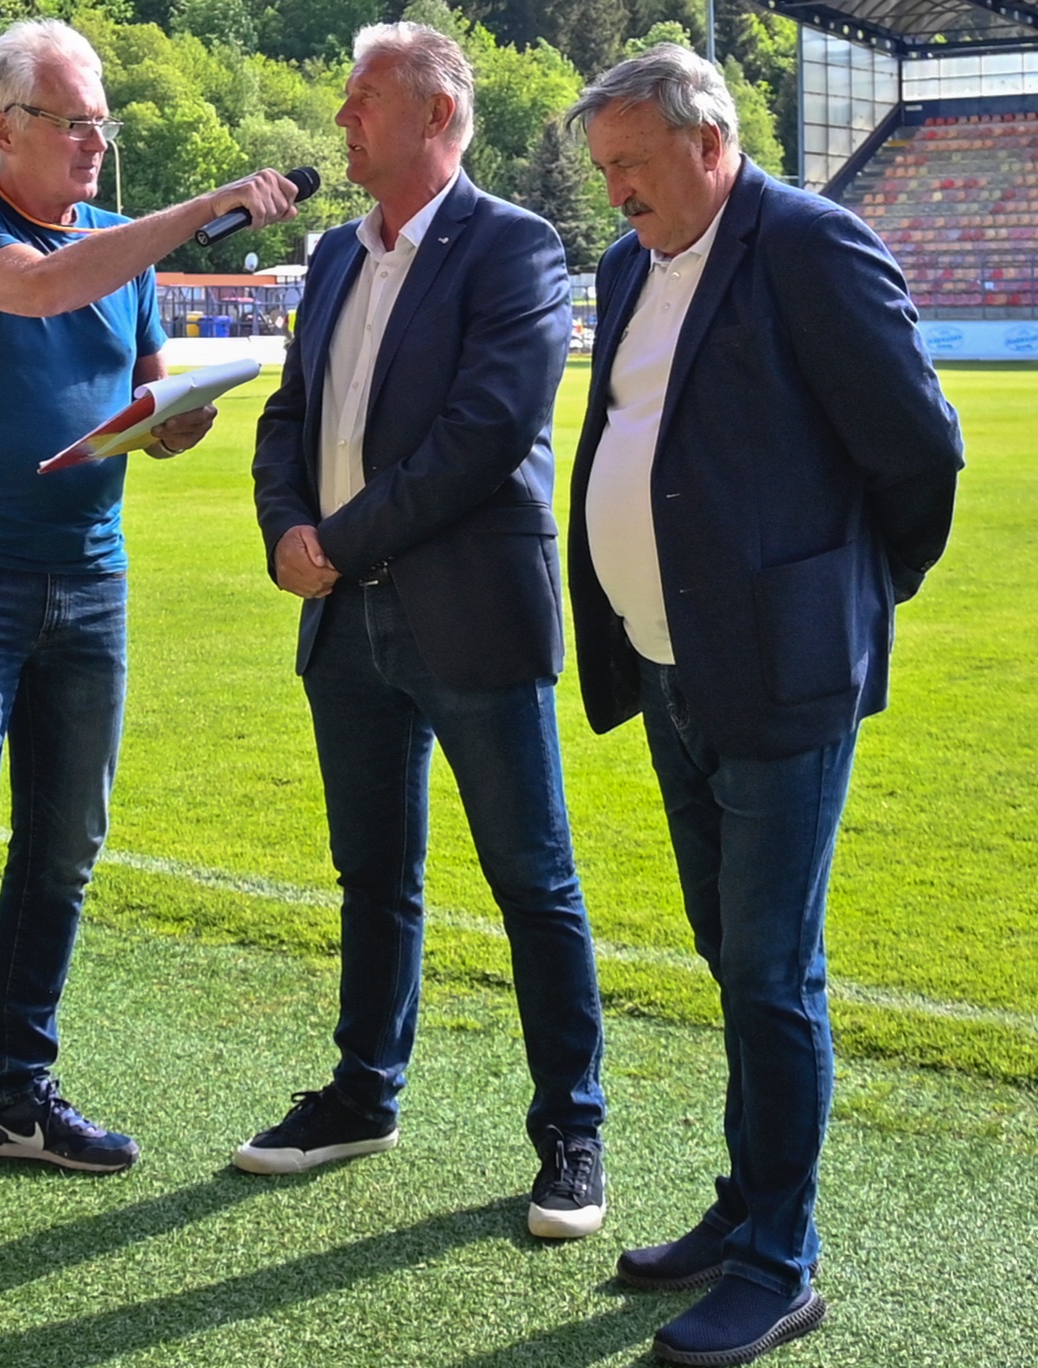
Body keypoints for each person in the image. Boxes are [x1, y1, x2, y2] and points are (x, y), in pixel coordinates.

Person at [0, 17, 300, 1244]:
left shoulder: (124, 248)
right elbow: (42, 287)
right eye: (73, 122)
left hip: (90, 580)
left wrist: (172, 418)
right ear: (3, 129)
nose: (95, 142)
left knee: (63, 848)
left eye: (102, 123)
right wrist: (205, 206)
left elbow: (144, 386)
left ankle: (14, 1097)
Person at [564, 46, 963, 1365]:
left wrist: (841, 599)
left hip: (785, 679)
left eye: (632, 163)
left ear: (708, 139)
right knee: (728, 953)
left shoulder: (806, 243)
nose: (616, 192)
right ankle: (745, 1206)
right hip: (666, 666)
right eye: (605, 169)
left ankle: (780, 1261)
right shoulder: (627, 265)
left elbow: (917, 450)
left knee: (771, 972)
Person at [246, 21, 609, 1242]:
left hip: (465, 614)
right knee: (372, 876)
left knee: (530, 881)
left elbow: (484, 431)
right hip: (343, 618)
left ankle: (569, 1131)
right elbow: (287, 415)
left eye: (362, 98)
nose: (340, 118)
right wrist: (286, 531)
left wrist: (335, 540)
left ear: (436, 116)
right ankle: (362, 1094)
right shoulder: (332, 257)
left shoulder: (515, 246)